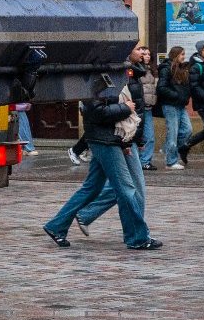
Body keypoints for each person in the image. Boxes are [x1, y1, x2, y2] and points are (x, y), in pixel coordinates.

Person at [43, 77, 159, 251]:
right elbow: (95, 111)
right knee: (126, 189)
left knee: (92, 188)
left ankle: (57, 226)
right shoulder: (96, 79)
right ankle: (137, 238)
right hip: (105, 140)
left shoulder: (113, 76)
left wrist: (126, 141)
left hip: (110, 138)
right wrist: (125, 108)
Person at [72, 50, 151, 235]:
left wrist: (137, 137)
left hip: (123, 136)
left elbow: (135, 108)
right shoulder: (116, 72)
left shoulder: (133, 71)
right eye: (137, 49)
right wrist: (128, 139)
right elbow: (106, 109)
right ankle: (137, 235)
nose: (141, 52)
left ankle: (77, 218)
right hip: (117, 137)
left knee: (119, 187)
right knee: (130, 188)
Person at [157, 47, 193, 169]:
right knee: (173, 132)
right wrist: (176, 95)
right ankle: (171, 162)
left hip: (181, 105)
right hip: (170, 105)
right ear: (175, 55)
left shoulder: (182, 69)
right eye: (182, 54)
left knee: (187, 130)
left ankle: (166, 148)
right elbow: (161, 88)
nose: (184, 56)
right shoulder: (166, 69)